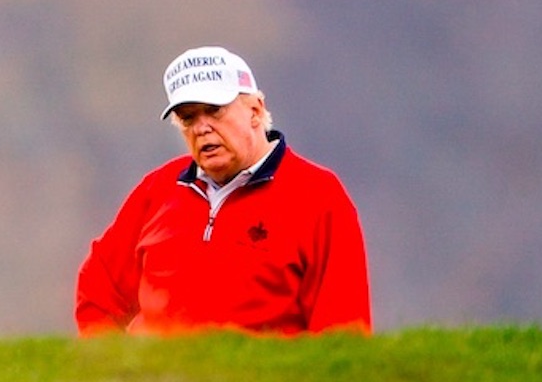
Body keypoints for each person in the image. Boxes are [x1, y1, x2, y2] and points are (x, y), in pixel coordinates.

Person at [75, 46, 371, 336]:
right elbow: (99, 289)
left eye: (214, 111)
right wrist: (114, 373)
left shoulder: (317, 195)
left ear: (255, 111)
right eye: (188, 117)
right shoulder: (159, 188)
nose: (201, 128)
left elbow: (342, 334)